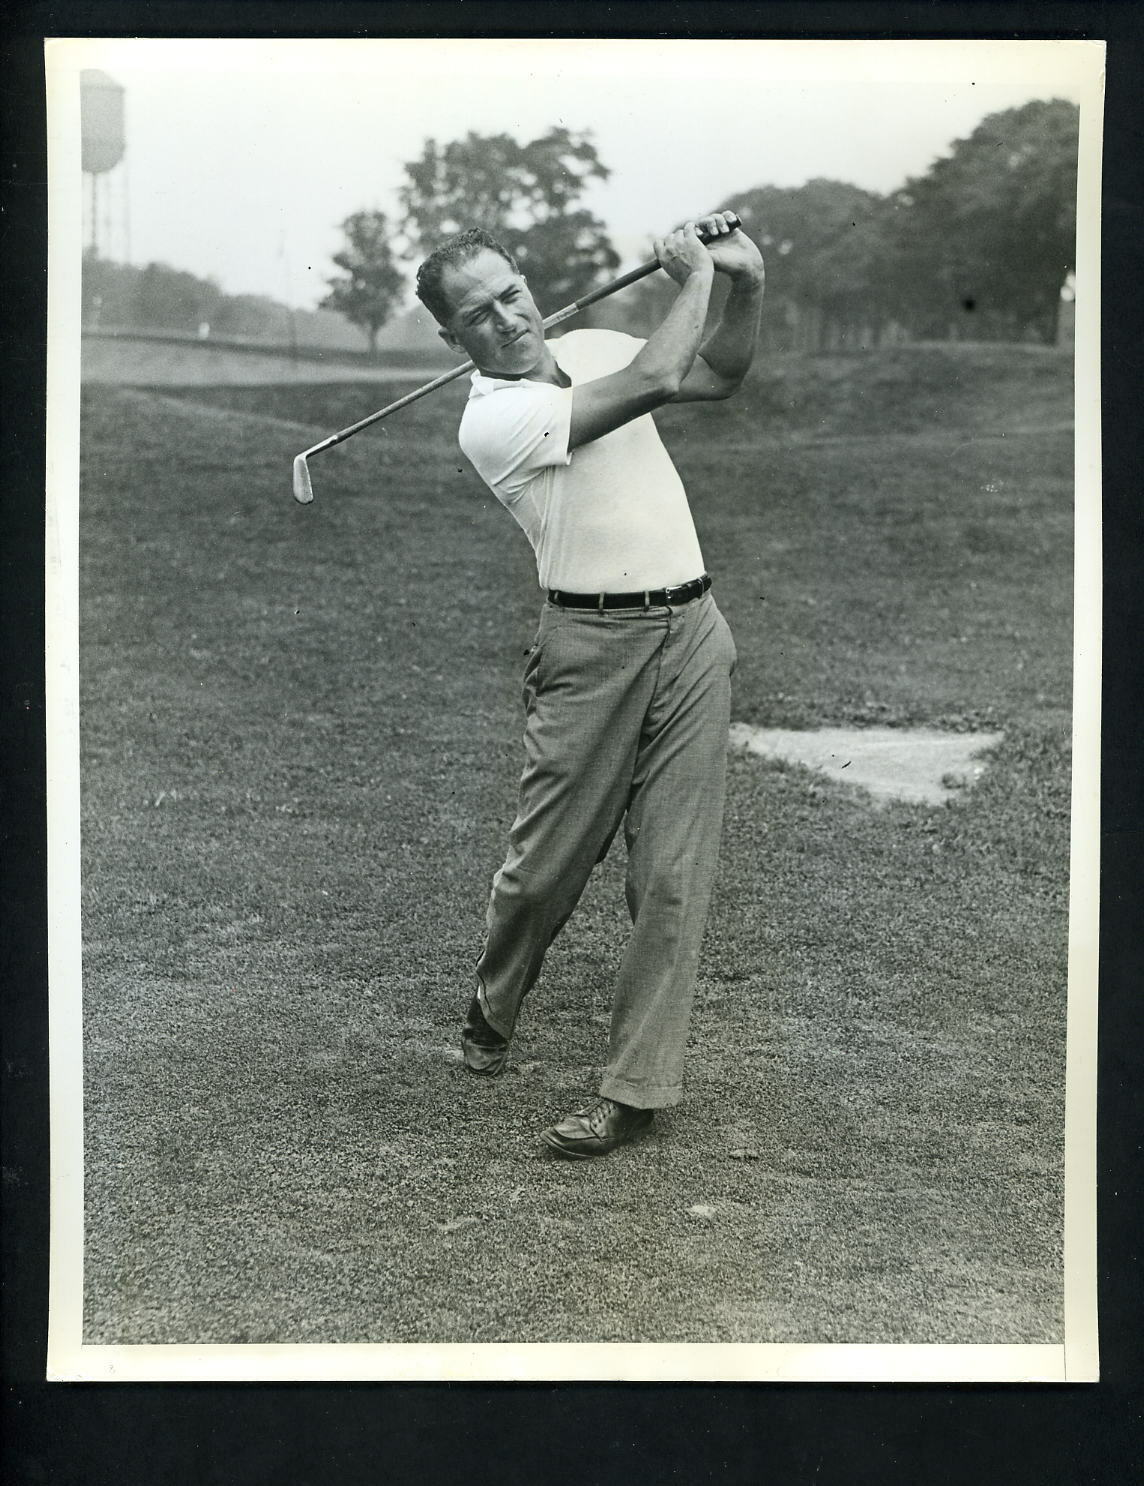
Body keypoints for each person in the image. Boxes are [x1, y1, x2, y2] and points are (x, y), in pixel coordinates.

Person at [414, 211, 765, 1157]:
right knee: (543, 874)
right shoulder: (492, 420)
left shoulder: (596, 342)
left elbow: (717, 375)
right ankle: (495, 1003)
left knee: (672, 875)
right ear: (455, 341)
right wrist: (688, 274)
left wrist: (745, 283)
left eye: (512, 294)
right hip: (588, 647)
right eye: (480, 315)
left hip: (693, 631)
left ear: (531, 286)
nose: (509, 320)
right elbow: (654, 378)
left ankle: (632, 1090)